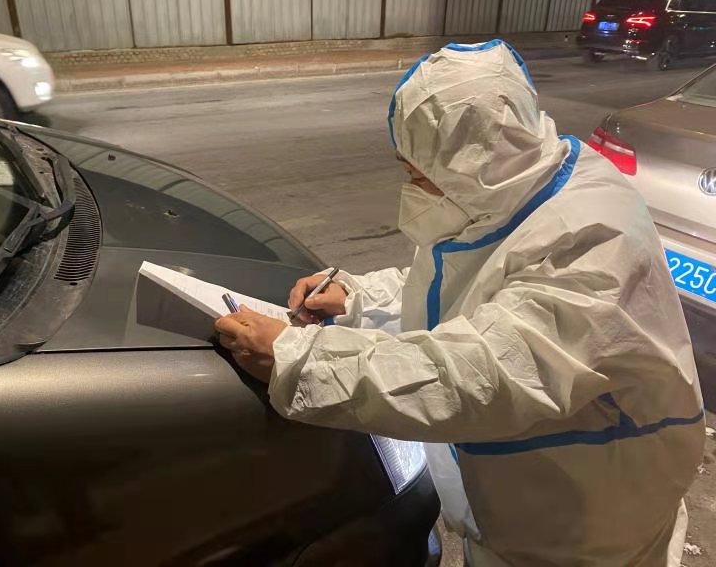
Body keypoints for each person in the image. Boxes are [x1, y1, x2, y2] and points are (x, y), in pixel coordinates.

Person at [214, 40, 705, 566]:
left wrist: (302, 362)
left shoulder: (591, 237)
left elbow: (485, 374)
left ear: (475, 164)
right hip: (522, 505)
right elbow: (470, 290)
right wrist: (357, 299)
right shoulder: (518, 190)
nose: (413, 188)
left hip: (588, 527)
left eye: (420, 176)